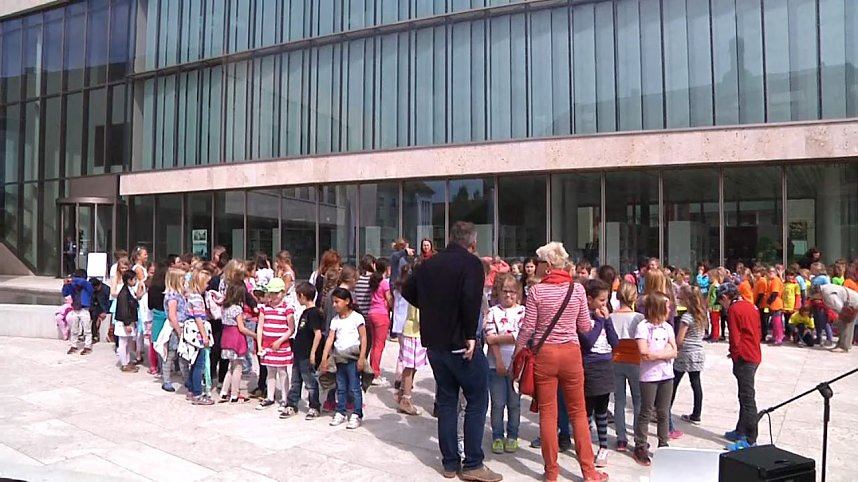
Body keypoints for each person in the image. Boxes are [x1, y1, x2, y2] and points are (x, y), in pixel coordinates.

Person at [403, 221, 502, 482]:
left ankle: (449, 463)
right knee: (477, 399)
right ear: (471, 243)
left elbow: (407, 289)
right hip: (460, 341)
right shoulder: (470, 263)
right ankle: (473, 463)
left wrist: (433, 307)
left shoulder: (429, 264)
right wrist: (471, 334)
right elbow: (471, 299)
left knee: (447, 401)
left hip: (435, 343)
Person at [513, 241, 606, 482]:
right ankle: (588, 471)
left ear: (549, 264)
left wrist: (517, 351)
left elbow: (528, 328)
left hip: (545, 355)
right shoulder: (576, 290)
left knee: (548, 415)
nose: (538, 266)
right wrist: (598, 320)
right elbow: (584, 327)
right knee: (578, 412)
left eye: (541, 262)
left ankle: (551, 472)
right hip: (571, 354)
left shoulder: (536, 291)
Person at [633, 292, 677, 466]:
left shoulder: (667, 327)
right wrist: (664, 353)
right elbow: (644, 354)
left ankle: (663, 443)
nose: (669, 309)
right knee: (646, 410)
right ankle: (641, 445)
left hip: (666, 375)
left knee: (664, 411)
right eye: (667, 306)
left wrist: (658, 354)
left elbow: (675, 351)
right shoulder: (643, 327)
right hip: (649, 376)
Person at [717, 282, 762, 451]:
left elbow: (734, 337)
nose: (722, 306)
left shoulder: (734, 310)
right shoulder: (750, 306)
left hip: (744, 358)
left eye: (721, 302)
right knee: (743, 396)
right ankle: (740, 430)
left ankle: (751, 439)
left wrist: (735, 354)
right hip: (754, 353)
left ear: (725, 297)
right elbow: (757, 330)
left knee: (748, 398)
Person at [484, 273, 524, 455]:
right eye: (505, 291)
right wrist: (499, 361)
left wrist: (498, 338)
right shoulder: (493, 312)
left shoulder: (524, 311)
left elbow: (521, 337)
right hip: (495, 365)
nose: (508, 295)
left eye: (512, 292)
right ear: (498, 293)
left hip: (518, 365)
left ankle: (513, 436)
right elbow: (489, 339)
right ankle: (497, 436)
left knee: (514, 404)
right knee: (498, 403)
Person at [580, 279, 618, 468]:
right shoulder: (584, 317)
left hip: (605, 365)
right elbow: (588, 341)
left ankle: (603, 446)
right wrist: (600, 321)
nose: (605, 304)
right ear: (589, 299)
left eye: (607, 300)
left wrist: (608, 321)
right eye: (602, 300)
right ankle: (585, 444)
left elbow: (614, 342)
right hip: (589, 366)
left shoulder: (604, 317)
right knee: (587, 409)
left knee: (602, 409)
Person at [320, 287, 368, 430]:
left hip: (353, 358)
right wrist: (324, 358)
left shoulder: (357, 318)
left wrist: (362, 358)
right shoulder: (335, 320)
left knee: (354, 387)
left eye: (337, 302)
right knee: (340, 387)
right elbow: (330, 339)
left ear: (347, 301)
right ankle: (340, 411)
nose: (334, 305)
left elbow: (363, 338)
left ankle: (357, 414)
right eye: (333, 302)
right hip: (339, 358)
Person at [611, 281, 644, 452]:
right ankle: (639, 436)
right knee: (638, 400)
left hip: (615, 360)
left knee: (619, 401)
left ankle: (621, 438)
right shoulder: (638, 318)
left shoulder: (611, 316)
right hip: (635, 361)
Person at [282, 282, 323, 419]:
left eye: (298, 296)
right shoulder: (305, 312)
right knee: (296, 380)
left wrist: (313, 353)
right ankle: (292, 404)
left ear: (303, 296)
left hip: (307, 354)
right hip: (298, 353)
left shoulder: (315, 313)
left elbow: (317, 334)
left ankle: (314, 406)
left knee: (310, 381)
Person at [256, 278, 295, 410]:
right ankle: (270, 397)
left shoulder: (287, 308)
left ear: (283, 293)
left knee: (282, 372)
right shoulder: (264, 308)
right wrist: (260, 345)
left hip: (282, 346)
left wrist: (280, 341)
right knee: (270, 371)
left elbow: (291, 328)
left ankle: (285, 398)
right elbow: (260, 327)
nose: (273, 296)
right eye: (271, 293)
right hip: (267, 346)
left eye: (276, 293)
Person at [671, 285, 707, 427]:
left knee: (673, 382)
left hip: (686, 352)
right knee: (696, 382)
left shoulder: (686, 317)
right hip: (698, 352)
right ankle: (696, 413)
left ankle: (664, 411)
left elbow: (680, 338)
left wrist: (674, 348)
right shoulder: (701, 314)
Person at [393, 264, 426, 416]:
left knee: (414, 365)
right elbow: (419, 315)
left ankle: (403, 392)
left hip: (414, 332)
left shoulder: (415, 287)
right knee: (410, 366)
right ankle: (406, 397)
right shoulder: (419, 290)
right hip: (414, 332)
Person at [179, 267, 214, 405]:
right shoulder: (197, 298)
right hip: (197, 333)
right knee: (199, 364)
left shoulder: (190, 296)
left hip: (189, 331)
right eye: (206, 283)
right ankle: (198, 394)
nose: (207, 286)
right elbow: (199, 318)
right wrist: (204, 336)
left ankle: (192, 390)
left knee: (193, 364)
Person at [217, 281, 256, 403]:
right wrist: (254, 335)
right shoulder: (237, 309)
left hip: (226, 338)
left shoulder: (225, 307)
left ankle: (224, 392)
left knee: (231, 367)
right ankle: (234, 394)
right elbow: (241, 328)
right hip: (236, 339)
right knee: (238, 367)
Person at [368, 258, 393, 384]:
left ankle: (372, 370)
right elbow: (389, 299)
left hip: (372, 313)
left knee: (374, 345)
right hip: (381, 314)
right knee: (379, 346)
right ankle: (375, 373)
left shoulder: (373, 281)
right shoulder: (384, 283)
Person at [63, 269, 94, 355]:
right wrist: (66, 285)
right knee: (74, 329)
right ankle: (74, 345)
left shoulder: (88, 285)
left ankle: (88, 346)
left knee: (87, 330)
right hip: (75, 309)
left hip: (84, 309)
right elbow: (65, 293)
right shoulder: (73, 286)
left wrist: (72, 279)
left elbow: (83, 282)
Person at [114, 270, 140, 373]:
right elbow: (124, 309)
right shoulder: (124, 293)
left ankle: (128, 362)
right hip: (124, 321)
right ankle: (124, 364)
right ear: (129, 280)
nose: (135, 281)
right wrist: (127, 323)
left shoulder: (130, 290)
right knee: (123, 343)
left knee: (128, 343)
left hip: (130, 320)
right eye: (134, 279)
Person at [765, 266, 785, 345]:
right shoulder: (772, 280)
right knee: (774, 321)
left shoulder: (775, 281)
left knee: (777, 322)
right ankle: (775, 336)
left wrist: (769, 302)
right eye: (769, 272)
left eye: (772, 272)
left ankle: (779, 338)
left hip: (776, 303)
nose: (770, 274)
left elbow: (775, 293)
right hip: (774, 304)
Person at [752, 266, 769, 343]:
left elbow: (761, 294)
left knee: (763, 320)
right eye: (754, 272)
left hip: (762, 304)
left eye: (757, 272)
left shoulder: (762, 281)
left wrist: (756, 304)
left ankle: (763, 335)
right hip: (759, 303)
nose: (755, 274)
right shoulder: (757, 281)